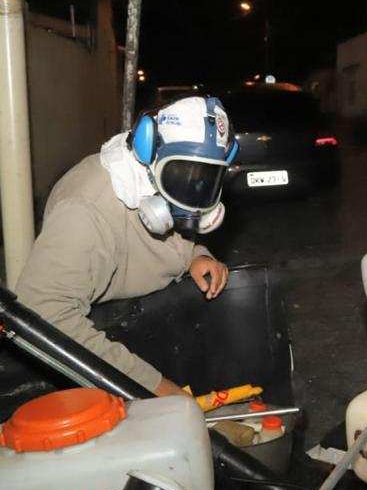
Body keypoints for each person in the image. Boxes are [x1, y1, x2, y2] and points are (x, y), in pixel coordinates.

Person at [15, 96, 239, 397]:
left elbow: (177, 213)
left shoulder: (153, 181)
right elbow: (44, 315)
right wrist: (153, 388)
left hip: (140, 322)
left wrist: (194, 255)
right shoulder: (85, 210)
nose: (194, 195)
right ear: (147, 151)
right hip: (99, 336)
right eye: (183, 174)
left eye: (206, 179)